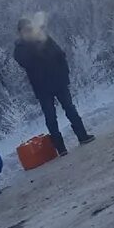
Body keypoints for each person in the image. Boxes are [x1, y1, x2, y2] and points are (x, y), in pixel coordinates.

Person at [13, 17, 94, 155]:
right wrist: (36, 48)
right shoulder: (20, 48)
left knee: (70, 108)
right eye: (25, 29)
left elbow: (60, 54)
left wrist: (64, 73)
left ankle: (82, 136)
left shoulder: (44, 38)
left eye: (29, 28)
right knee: (51, 117)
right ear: (20, 32)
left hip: (58, 81)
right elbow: (26, 62)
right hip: (42, 87)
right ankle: (60, 148)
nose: (28, 31)